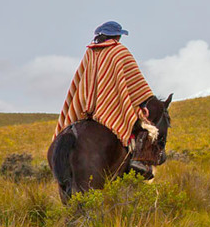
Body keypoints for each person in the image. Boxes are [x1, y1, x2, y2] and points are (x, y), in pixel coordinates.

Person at [54, 21, 158, 178]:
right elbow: (135, 83)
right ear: (117, 36)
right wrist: (142, 104)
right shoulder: (120, 51)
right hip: (111, 106)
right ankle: (138, 163)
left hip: (86, 107)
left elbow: (82, 80)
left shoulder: (89, 52)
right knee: (146, 128)